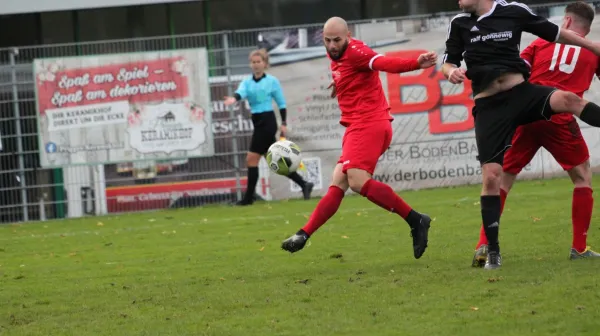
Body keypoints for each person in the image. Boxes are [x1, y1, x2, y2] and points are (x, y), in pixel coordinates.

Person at [442, 0, 600, 269]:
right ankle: (494, 251)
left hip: (523, 99)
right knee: (494, 177)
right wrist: (451, 72)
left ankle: (484, 243)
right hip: (499, 108)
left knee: (567, 101)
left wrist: (591, 46)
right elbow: (449, 62)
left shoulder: (517, 15)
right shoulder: (460, 23)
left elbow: (551, 36)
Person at [281, 17, 437, 259]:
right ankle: (304, 234)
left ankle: (416, 220)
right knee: (339, 181)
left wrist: (416, 63)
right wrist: (340, 85)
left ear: (348, 35)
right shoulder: (336, 55)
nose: (332, 45)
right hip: (358, 125)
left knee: (356, 180)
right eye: (327, 40)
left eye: (337, 40)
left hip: (370, 124)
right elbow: (348, 74)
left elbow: (384, 62)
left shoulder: (357, 52)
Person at [224, 49, 313, 206]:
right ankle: (304, 184)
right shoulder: (247, 82)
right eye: (254, 62)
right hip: (257, 121)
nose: (256, 65)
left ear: (265, 63)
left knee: (251, 158)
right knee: (275, 161)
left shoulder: (272, 81)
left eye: (259, 62)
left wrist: (284, 123)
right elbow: (240, 92)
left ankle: (248, 198)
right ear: (250, 64)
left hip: (267, 122)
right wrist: (234, 98)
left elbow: (281, 103)